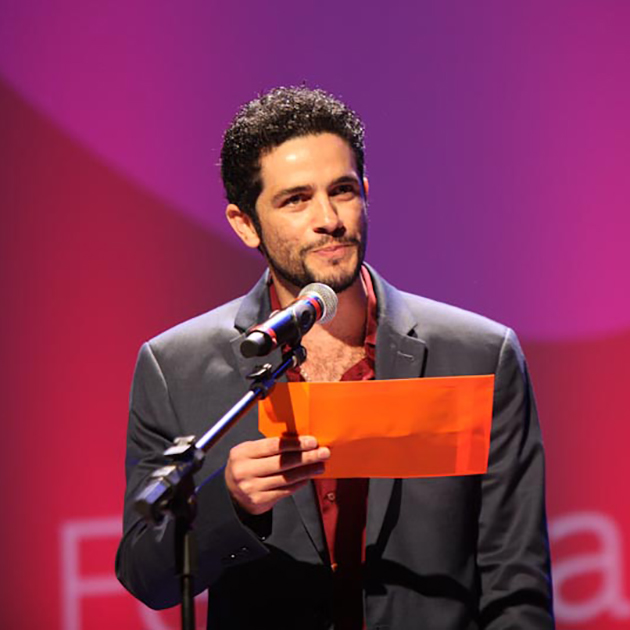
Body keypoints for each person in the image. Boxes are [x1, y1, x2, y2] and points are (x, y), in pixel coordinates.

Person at [116, 86, 554, 629]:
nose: (329, 218)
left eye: (342, 191)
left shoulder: (477, 353)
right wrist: (229, 503)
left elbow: (516, 584)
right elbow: (145, 574)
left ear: (365, 194)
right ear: (245, 223)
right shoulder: (175, 366)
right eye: (295, 200)